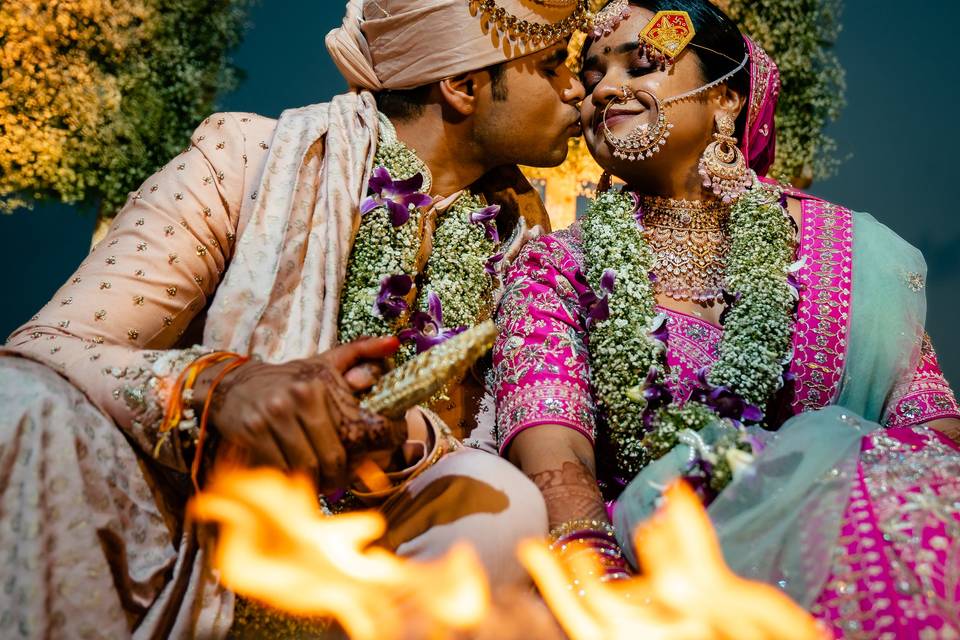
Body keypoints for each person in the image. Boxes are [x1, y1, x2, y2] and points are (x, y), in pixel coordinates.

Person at [0, 0, 588, 636]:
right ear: (463, 85)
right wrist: (220, 385)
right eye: (553, 62)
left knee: (502, 505)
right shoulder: (246, 160)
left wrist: (402, 442)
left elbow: (481, 438)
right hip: (195, 513)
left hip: (370, 549)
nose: (576, 86)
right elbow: (48, 345)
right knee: (22, 399)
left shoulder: (520, 234)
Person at [493, 0, 960, 636]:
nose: (604, 90)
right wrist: (593, 582)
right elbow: (553, 442)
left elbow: (932, 435)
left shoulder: (844, 251)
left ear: (725, 101)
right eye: (594, 74)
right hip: (663, 554)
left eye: (644, 64)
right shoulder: (557, 264)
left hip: (859, 527)